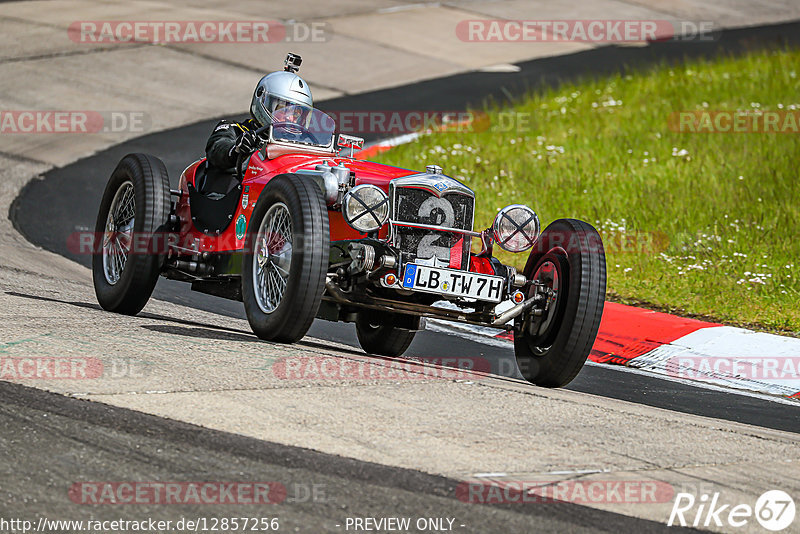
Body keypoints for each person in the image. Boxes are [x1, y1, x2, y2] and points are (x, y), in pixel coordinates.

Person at [202, 53, 312, 194]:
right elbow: (217, 149)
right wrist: (237, 149)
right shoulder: (235, 130)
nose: (291, 119)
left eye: (297, 114)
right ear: (264, 102)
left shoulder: (304, 145)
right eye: (284, 110)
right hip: (234, 198)